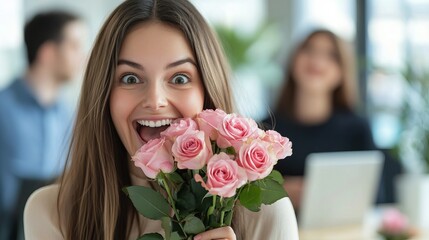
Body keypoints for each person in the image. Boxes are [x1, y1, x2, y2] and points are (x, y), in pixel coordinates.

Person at [23, 0, 299, 239]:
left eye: (179, 78)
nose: (155, 100)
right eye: (130, 78)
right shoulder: (51, 213)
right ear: (103, 93)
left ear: (207, 93)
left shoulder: (265, 214)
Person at [264, 29, 377, 210]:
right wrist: (283, 191)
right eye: (309, 50)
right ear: (293, 60)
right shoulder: (263, 130)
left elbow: (375, 197)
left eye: (331, 55)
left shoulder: (358, 129)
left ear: (342, 72)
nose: (317, 60)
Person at [0, 10, 86, 239]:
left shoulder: (69, 114)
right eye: (75, 46)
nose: (83, 56)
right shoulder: (3, 107)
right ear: (48, 53)